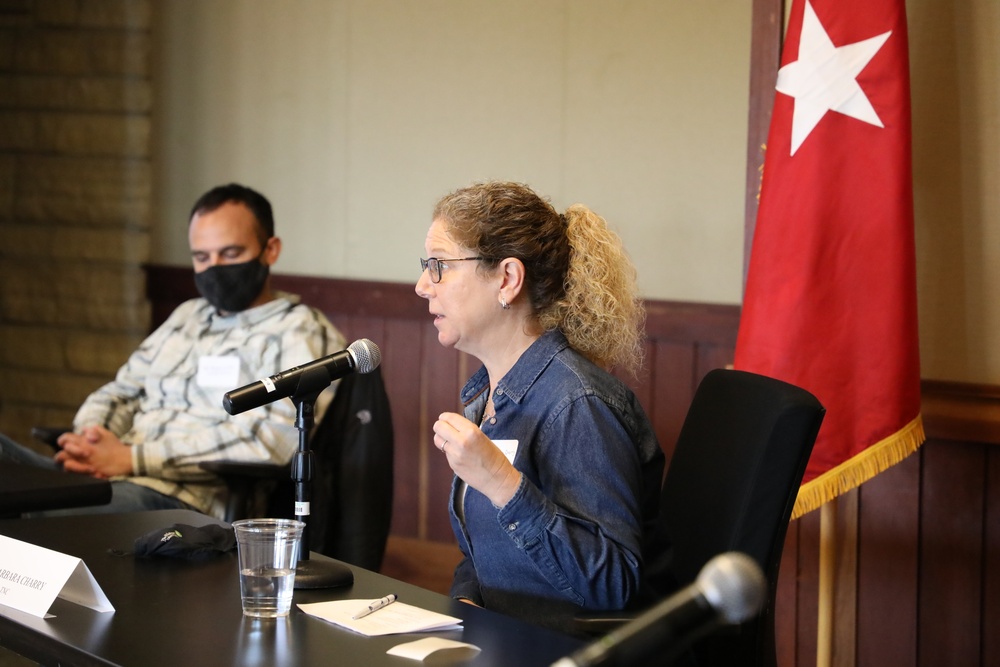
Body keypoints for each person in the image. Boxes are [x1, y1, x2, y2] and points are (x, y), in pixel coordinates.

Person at [0, 183, 345, 519]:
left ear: (270, 250)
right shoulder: (188, 316)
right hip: (106, 475)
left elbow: (268, 442)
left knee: (32, 512)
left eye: (230, 253)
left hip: (177, 503)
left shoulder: (300, 329)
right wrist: (91, 441)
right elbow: (123, 392)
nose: (215, 268)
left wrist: (133, 459)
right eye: (201, 257)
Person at [415, 180, 665, 632]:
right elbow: (484, 552)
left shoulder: (577, 403)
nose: (422, 286)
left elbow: (613, 583)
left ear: (507, 279)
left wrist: (502, 482)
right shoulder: (485, 394)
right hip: (500, 640)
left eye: (440, 266)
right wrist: (467, 600)